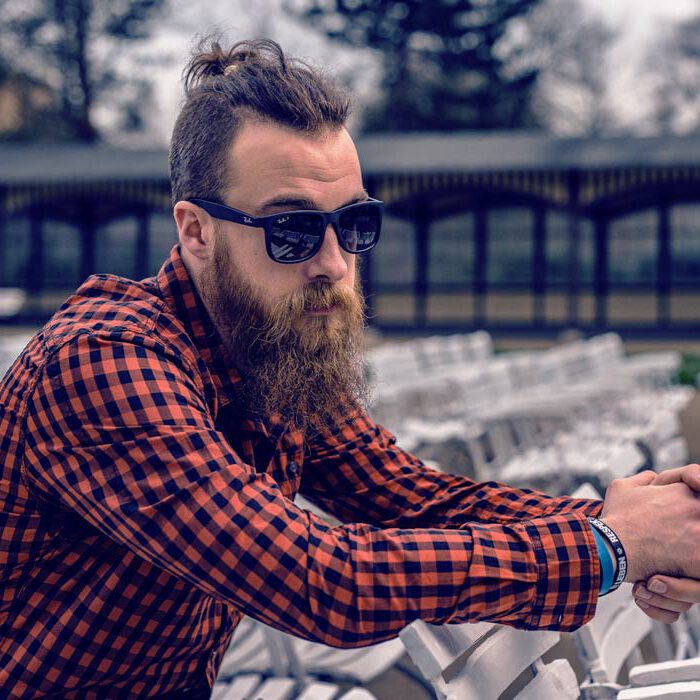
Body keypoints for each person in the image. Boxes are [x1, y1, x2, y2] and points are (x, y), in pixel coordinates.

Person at [1, 38, 700, 699]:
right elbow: (321, 580)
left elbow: (417, 502)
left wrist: (649, 524)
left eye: (354, 225)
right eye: (291, 230)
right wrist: (611, 546)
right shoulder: (102, 362)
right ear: (196, 232)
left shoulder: (273, 348)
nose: (334, 264)